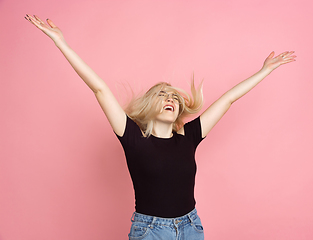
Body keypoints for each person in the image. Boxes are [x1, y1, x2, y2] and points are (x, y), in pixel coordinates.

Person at [24, 14, 296, 240]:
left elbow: (228, 99)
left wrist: (265, 70)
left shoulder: (188, 137)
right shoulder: (132, 137)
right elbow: (99, 88)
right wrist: (62, 43)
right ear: (150, 104)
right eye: (163, 96)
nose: (171, 100)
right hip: (151, 231)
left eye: (175, 98)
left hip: (191, 227)